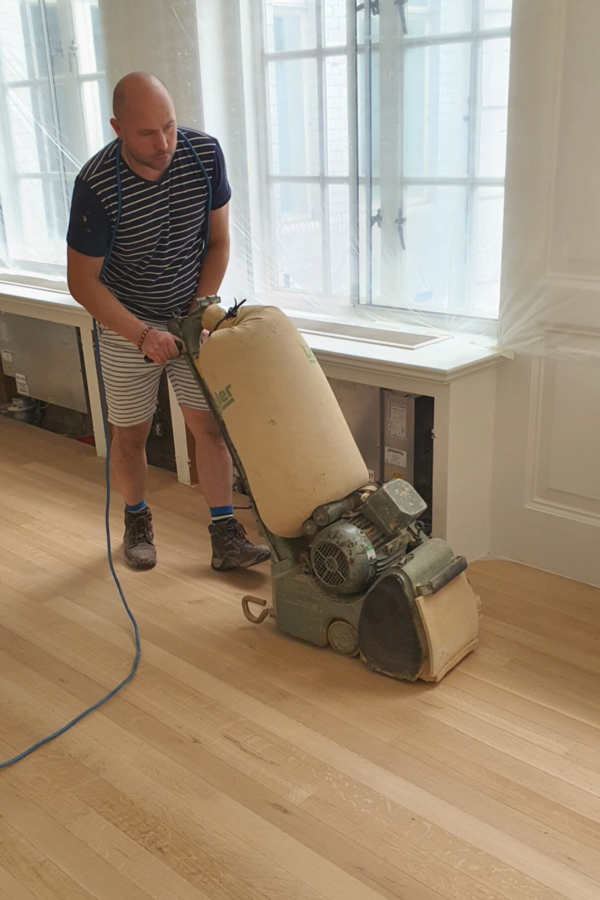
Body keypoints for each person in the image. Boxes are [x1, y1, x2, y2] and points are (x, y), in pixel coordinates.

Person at [66, 72, 270, 573]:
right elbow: (82, 282)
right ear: (117, 128)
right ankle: (136, 520)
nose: (163, 143)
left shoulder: (204, 156)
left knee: (211, 429)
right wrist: (140, 333)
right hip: (126, 319)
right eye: (146, 133)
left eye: (170, 126)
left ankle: (225, 534)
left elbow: (219, 242)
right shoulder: (96, 185)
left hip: (189, 312)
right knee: (131, 434)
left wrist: (200, 309)